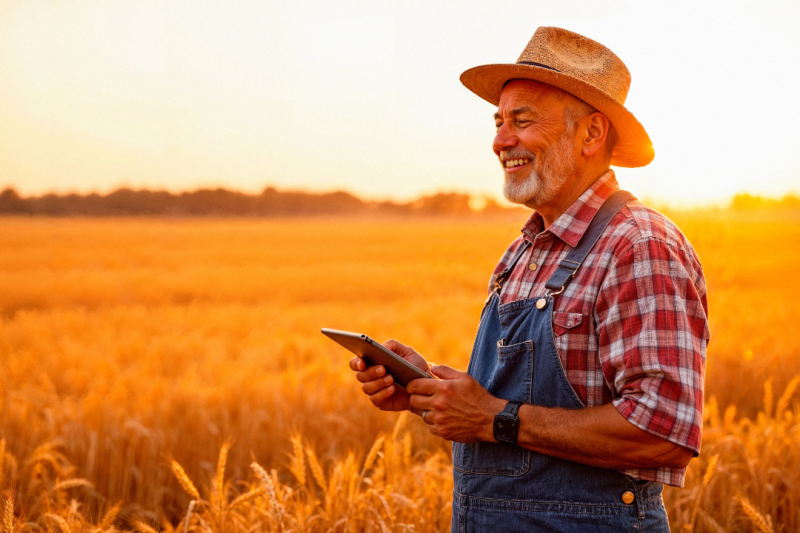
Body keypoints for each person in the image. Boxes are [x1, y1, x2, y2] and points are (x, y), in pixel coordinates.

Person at [349, 27, 708, 532]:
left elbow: (663, 430)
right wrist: (428, 390)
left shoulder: (639, 245)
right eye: (498, 122)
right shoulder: (522, 250)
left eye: (522, 121)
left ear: (591, 134)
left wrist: (493, 417)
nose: (500, 140)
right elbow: (505, 419)